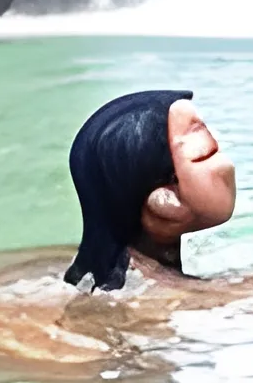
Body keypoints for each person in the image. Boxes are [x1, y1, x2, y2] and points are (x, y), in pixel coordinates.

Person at [63, 89, 238, 290]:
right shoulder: (164, 298)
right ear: (165, 203)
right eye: (203, 156)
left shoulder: (106, 277)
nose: (228, 166)